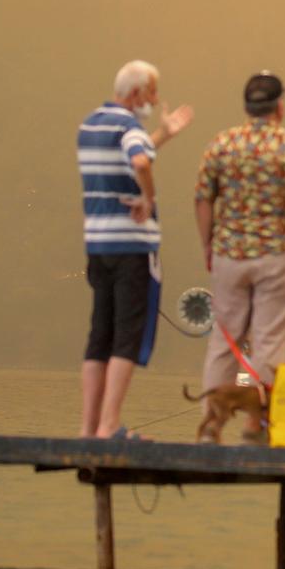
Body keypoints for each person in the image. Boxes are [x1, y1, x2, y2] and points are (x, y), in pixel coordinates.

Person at [193, 71, 285, 444]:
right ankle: (257, 426)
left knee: (224, 340)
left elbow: (203, 198)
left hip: (228, 256)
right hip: (278, 256)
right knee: (270, 341)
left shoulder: (222, 145)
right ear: (279, 107)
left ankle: (212, 426)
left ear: (246, 107)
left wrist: (208, 244)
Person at [76, 60, 194, 438]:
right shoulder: (128, 126)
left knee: (99, 337)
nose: (156, 98)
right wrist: (149, 197)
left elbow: (134, 154)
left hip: (98, 246)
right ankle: (109, 426)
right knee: (127, 336)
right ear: (136, 93)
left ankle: (88, 427)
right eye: (153, 91)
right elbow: (139, 160)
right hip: (132, 248)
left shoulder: (90, 125)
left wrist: (163, 134)